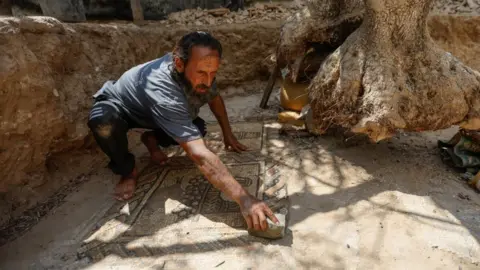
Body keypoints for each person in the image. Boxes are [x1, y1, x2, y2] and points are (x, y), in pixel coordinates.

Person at [87, 31, 278, 231]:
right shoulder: (162, 89)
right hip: (122, 107)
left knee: (197, 128)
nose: (209, 79)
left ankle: (150, 137)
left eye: (213, 73)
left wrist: (227, 133)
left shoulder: (203, 72)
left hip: (153, 112)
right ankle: (127, 170)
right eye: (203, 73)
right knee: (103, 122)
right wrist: (244, 198)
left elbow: (214, 98)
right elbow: (198, 154)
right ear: (179, 64)